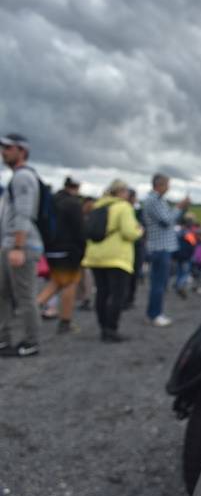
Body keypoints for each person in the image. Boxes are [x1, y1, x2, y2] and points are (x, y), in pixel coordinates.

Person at [81, 179, 143, 342]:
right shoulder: (123, 207)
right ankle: (111, 329)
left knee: (102, 292)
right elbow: (129, 233)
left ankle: (103, 327)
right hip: (117, 257)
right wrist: (139, 231)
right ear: (121, 192)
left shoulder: (98, 206)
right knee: (117, 295)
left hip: (95, 256)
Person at [0, 134, 44, 357]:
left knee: (24, 296)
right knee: (4, 294)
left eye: (8, 147)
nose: (3, 151)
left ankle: (31, 341)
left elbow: (24, 213)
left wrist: (18, 246)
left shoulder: (23, 177)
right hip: (12, 243)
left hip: (22, 245)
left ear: (21, 151)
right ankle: (4, 339)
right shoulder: (17, 177)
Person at [36, 176, 86, 334]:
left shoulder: (52, 200)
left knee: (56, 283)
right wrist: (82, 249)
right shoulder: (73, 203)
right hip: (68, 250)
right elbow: (79, 229)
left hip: (50, 248)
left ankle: (30, 310)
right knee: (69, 283)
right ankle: (65, 321)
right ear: (76, 187)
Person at [141, 173, 189, 327]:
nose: (169, 187)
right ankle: (155, 314)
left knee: (158, 282)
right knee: (159, 283)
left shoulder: (155, 200)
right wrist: (179, 207)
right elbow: (167, 220)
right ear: (159, 184)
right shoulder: (154, 200)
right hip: (161, 248)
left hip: (160, 247)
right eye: (167, 184)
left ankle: (153, 313)